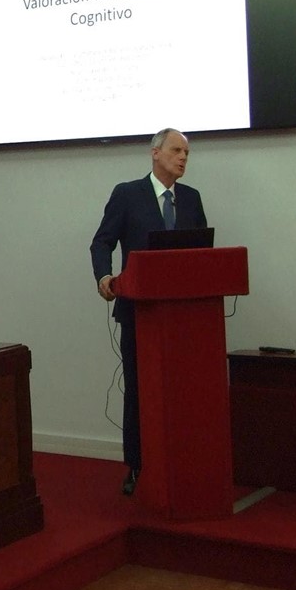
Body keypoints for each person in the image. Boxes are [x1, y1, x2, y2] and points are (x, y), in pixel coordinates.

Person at [90, 128, 207, 496]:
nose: (183, 157)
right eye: (176, 150)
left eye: (187, 153)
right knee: (139, 390)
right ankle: (137, 465)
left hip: (184, 318)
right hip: (139, 313)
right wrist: (104, 276)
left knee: (182, 390)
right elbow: (102, 241)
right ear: (154, 153)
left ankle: (184, 461)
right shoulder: (128, 194)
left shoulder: (191, 199)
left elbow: (201, 252)